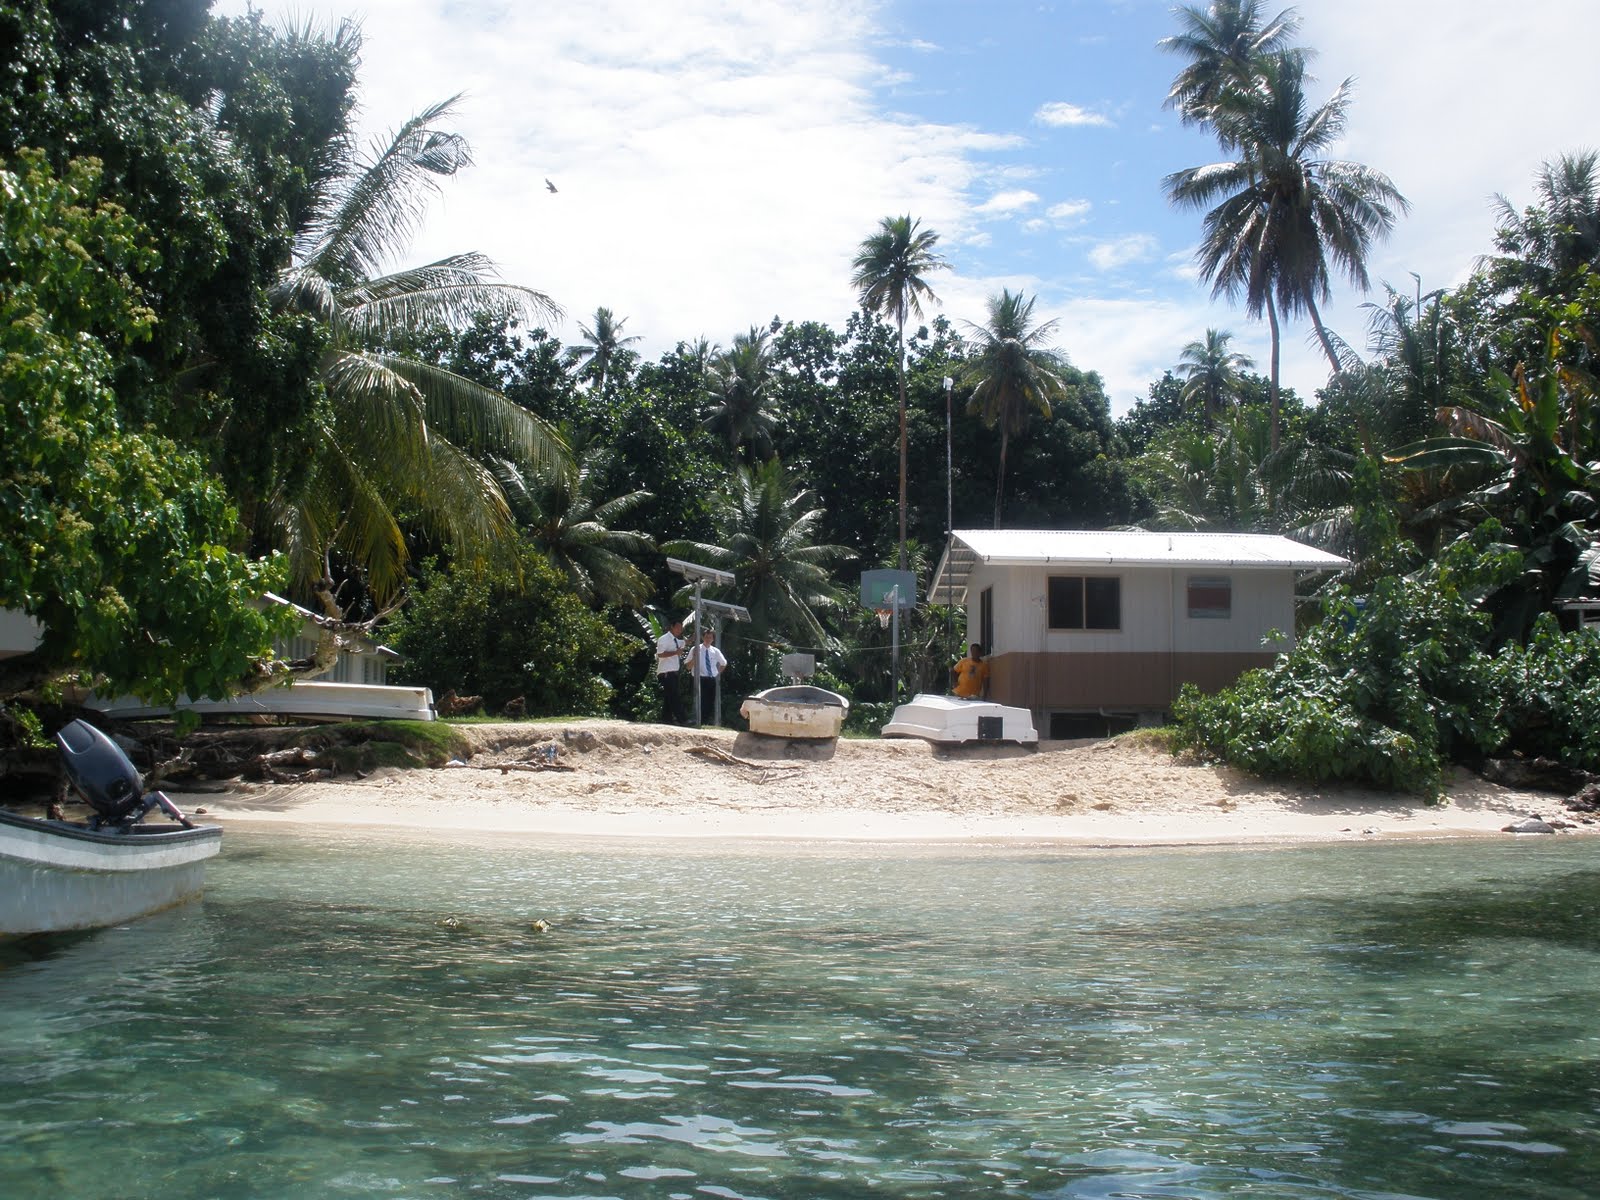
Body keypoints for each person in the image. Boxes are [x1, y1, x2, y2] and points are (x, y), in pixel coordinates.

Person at [685, 628, 729, 726]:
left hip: (711, 678)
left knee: (709, 701)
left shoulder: (715, 651)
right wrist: (695, 658)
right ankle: (695, 720)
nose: (708, 639)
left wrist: (716, 673)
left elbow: (724, 663)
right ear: (702, 637)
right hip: (699, 678)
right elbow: (688, 666)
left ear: (713, 639)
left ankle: (705, 721)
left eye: (710, 637)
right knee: (698, 700)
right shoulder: (695, 649)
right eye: (706, 637)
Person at [654, 618, 687, 724]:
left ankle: (666, 719)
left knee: (669, 696)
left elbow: (685, 642)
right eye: (677, 627)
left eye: (681, 628)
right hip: (666, 672)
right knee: (674, 695)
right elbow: (660, 654)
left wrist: (694, 637)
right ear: (672, 627)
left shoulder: (676, 640)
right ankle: (682, 719)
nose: (679, 630)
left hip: (673, 672)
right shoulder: (664, 639)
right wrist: (675, 653)